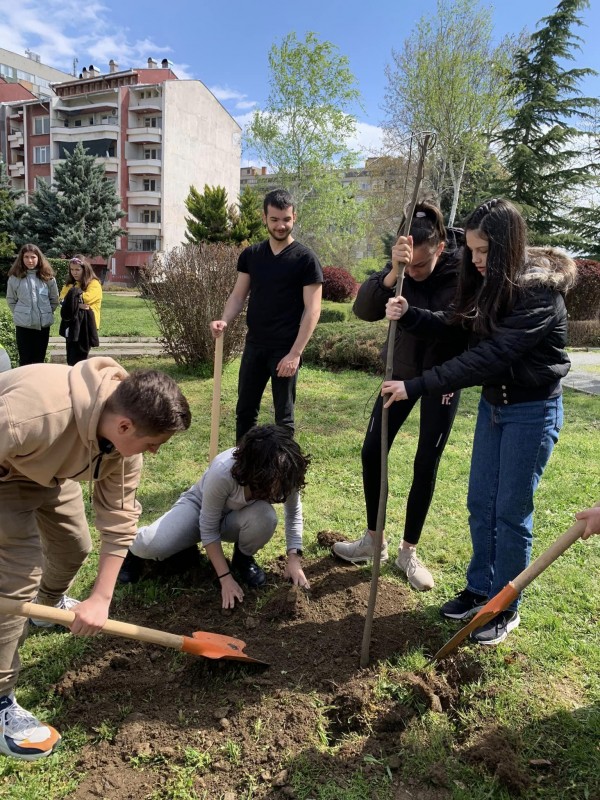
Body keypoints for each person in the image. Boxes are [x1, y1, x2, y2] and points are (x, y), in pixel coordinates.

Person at [382, 198, 576, 645]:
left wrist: (416, 386)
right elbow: (459, 325)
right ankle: (479, 588)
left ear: (509, 247)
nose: (475, 260)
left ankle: (505, 605)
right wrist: (411, 315)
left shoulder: (540, 293)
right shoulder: (489, 281)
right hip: (494, 408)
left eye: (484, 251)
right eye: (470, 250)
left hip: (531, 411)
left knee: (509, 511)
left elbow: (488, 356)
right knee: (479, 502)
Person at [0, 359, 191, 760]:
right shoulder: (32, 414)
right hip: (7, 473)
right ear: (124, 427)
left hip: (52, 472)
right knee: (16, 578)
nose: (154, 452)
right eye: (153, 443)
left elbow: (120, 522)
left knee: (75, 545)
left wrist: (101, 599)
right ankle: (0, 701)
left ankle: (46, 605)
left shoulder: (122, 444)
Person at [332, 202, 464, 591]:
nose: (414, 272)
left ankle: (408, 550)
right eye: (409, 264)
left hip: (442, 377)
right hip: (400, 372)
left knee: (426, 461)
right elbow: (362, 309)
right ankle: (374, 541)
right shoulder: (400, 265)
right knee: (373, 450)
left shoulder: (461, 273)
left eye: (420, 266)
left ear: (439, 248)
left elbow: (455, 328)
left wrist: (409, 313)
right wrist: (393, 273)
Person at [118, 424, 311, 608]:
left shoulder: (286, 471)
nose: (277, 491)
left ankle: (242, 560)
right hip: (198, 509)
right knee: (152, 545)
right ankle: (132, 551)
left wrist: (294, 560)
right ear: (257, 472)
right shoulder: (223, 470)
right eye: (273, 484)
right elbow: (208, 526)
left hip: (234, 518)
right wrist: (225, 579)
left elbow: (293, 512)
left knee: (265, 517)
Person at [210, 189, 323, 442]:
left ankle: (284, 477)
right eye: (274, 219)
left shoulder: (306, 259)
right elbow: (238, 296)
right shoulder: (252, 256)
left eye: (286, 219)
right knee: (245, 412)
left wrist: (295, 354)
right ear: (264, 218)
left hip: (285, 349)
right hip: (254, 346)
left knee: (284, 419)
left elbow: (313, 310)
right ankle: (243, 467)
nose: (280, 225)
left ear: (294, 217)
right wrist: (224, 319)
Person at [6, 244, 59, 366]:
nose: (30, 260)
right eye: (26, 257)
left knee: (39, 361)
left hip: (42, 326)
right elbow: (11, 300)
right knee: (25, 360)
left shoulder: (48, 278)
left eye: (33, 257)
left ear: (39, 258)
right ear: (21, 258)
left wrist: (46, 312)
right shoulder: (15, 278)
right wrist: (21, 313)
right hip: (24, 326)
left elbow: (54, 299)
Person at [59, 255, 103, 366]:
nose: (75, 272)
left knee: (80, 358)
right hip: (72, 324)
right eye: (72, 270)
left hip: (86, 326)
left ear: (85, 269)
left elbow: (87, 299)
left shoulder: (94, 284)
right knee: (71, 357)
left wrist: (72, 302)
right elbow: (61, 300)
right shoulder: (69, 284)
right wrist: (79, 305)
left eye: (78, 269)